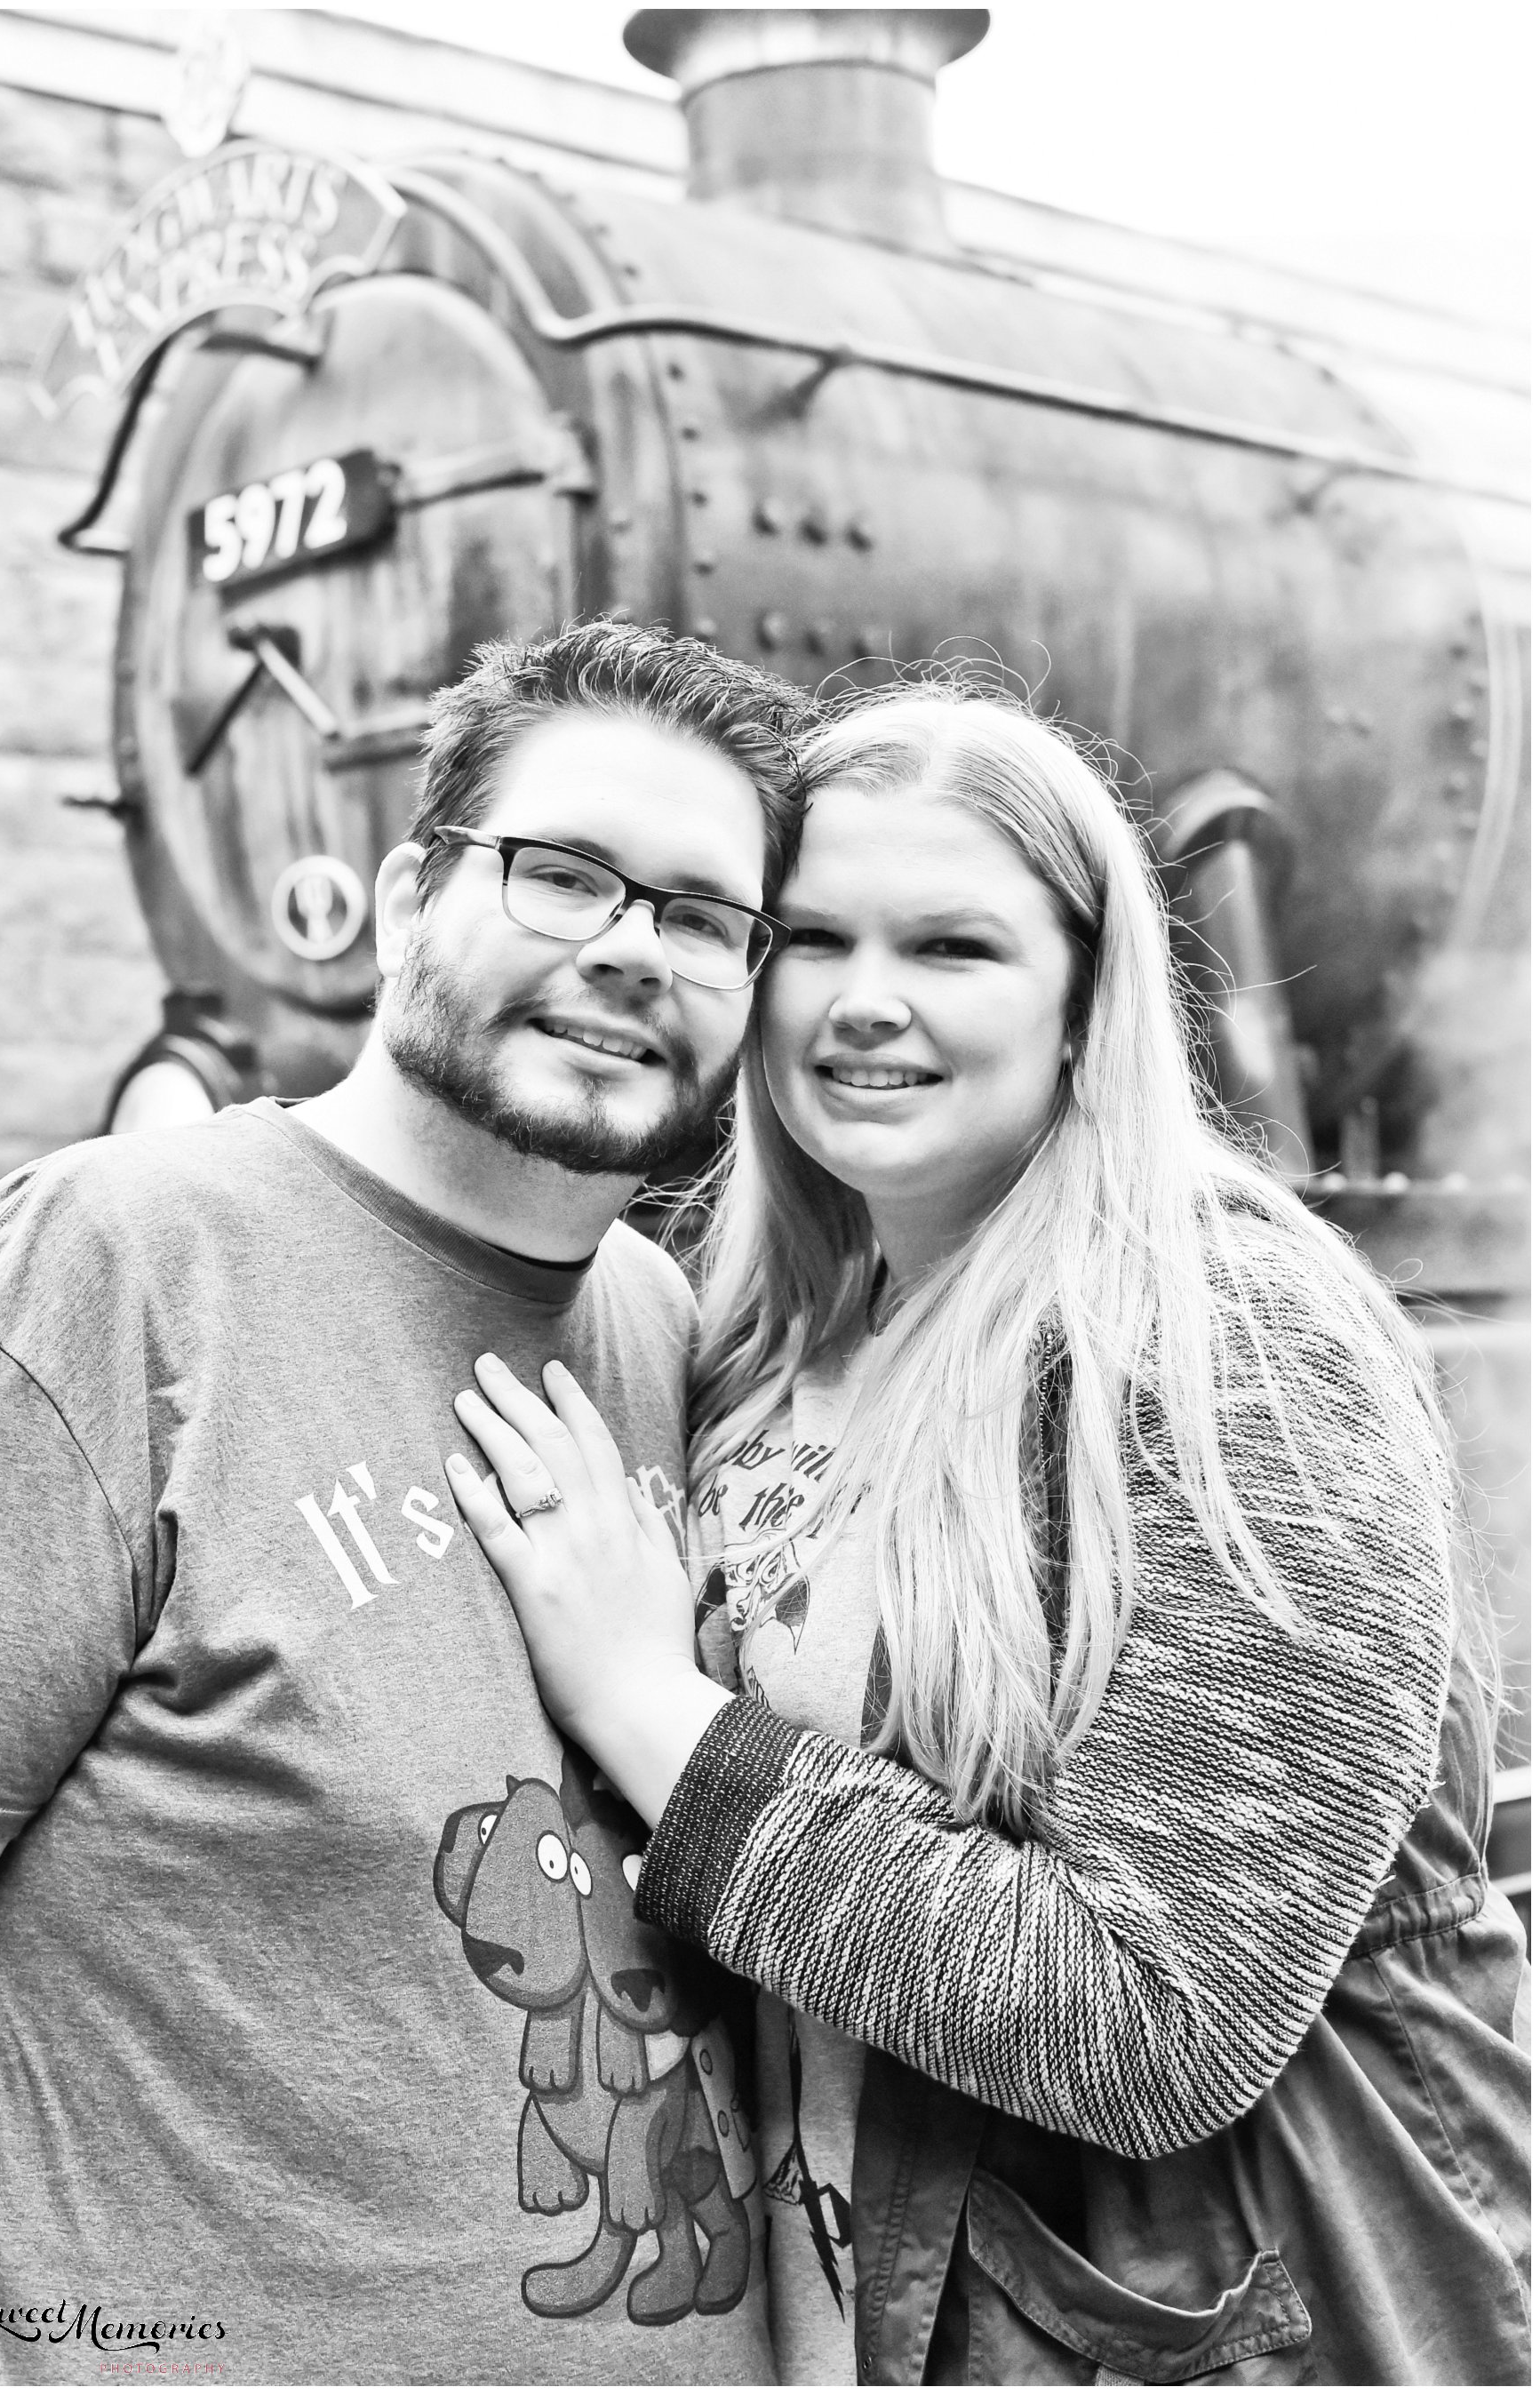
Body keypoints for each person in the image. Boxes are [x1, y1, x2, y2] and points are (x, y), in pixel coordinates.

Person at [446, 685, 1531, 2386]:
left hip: (1191, 2330)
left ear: (1088, 1000)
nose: (867, 1003)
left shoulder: (1226, 1337)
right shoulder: (764, 1346)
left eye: (953, 947)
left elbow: (1164, 2019)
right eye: (814, 937)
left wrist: (651, 1704)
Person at [0, 619, 811, 2385]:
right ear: (411, 894)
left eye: (704, 917)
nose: (632, 951)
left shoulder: (664, 1327)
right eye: (563, 873)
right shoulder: (117, 1264)